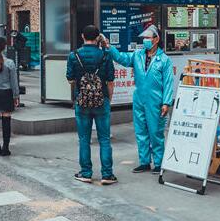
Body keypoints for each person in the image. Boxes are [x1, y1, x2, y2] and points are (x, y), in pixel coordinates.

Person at [105, 25, 173, 175]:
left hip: (156, 101)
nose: (145, 41)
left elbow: (168, 82)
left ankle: (158, 162)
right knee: (140, 131)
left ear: (156, 40)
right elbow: (122, 58)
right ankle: (144, 162)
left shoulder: (164, 60)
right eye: (144, 38)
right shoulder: (137, 55)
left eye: (148, 38)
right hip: (139, 99)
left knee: (155, 132)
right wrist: (110, 48)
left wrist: (166, 102)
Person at [66, 25, 117, 185]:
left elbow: (70, 79)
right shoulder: (105, 55)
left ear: (82, 36)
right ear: (97, 38)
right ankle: (107, 174)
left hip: (82, 102)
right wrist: (109, 98)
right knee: (104, 139)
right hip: (102, 101)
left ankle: (86, 172)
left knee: (84, 139)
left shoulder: (74, 55)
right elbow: (110, 81)